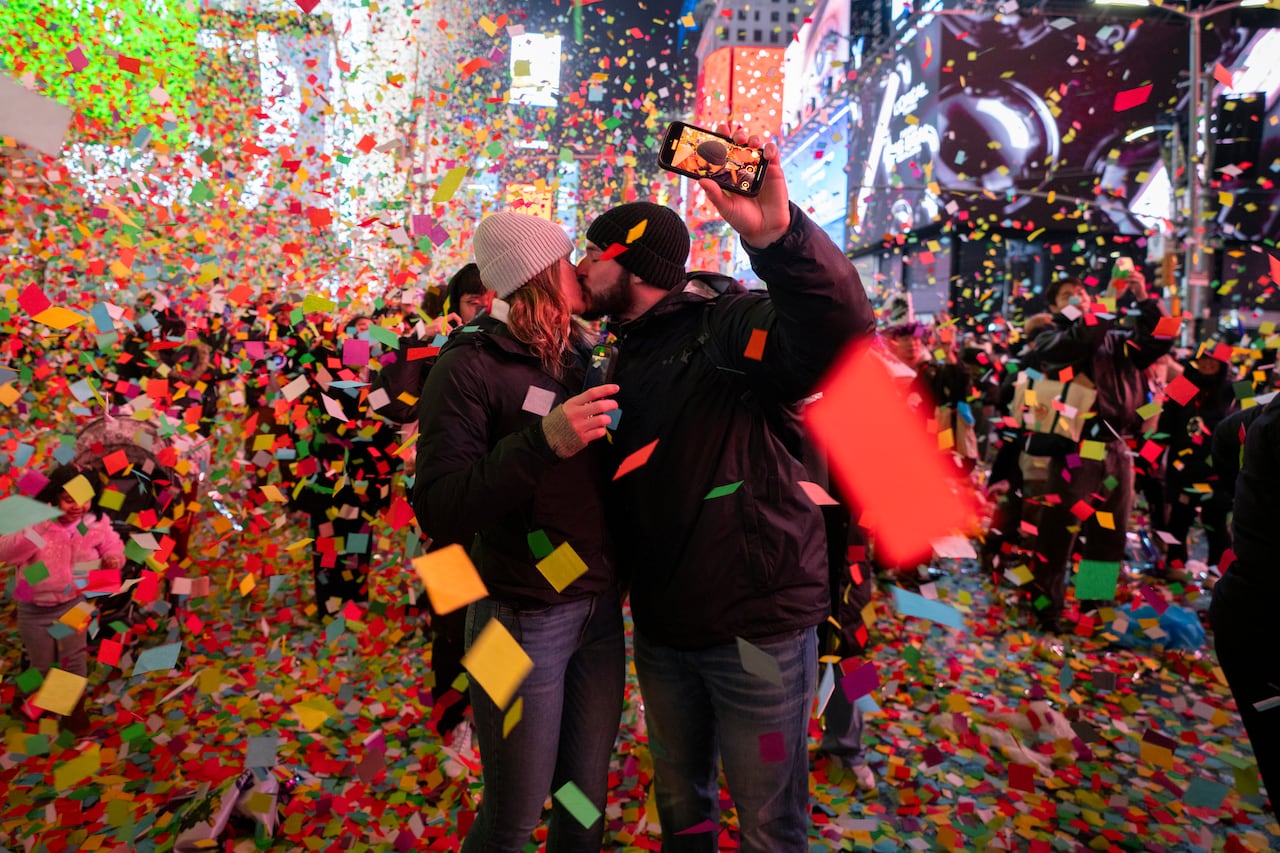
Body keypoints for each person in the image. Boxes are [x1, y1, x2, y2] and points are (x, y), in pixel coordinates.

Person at [577, 124, 875, 852]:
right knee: (684, 809)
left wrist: (778, 238)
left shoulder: (726, 328)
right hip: (664, 632)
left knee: (770, 818)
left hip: (758, 636)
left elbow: (841, 330)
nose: (580, 268)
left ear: (633, 265)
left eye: (592, 254)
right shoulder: (621, 353)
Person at [413, 211, 624, 852]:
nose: (580, 269)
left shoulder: (581, 350)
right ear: (538, 276)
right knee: (514, 812)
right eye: (567, 260)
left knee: (582, 802)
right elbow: (441, 506)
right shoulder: (468, 365)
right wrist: (542, 443)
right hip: (514, 616)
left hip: (597, 610)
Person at [1026, 271, 1173, 633]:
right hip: (1077, 448)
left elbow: (1164, 337)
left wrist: (1142, 299)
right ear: (1053, 307)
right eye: (1066, 295)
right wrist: (1106, 303)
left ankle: (1094, 607)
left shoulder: (1118, 340)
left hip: (1118, 447)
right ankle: (1048, 609)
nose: (1077, 297)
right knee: (1059, 533)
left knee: (1109, 534)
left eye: (1081, 292)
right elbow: (1081, 339)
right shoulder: (1050, 336)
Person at [1, 464, 125, 734]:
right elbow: (8, 554)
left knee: (74, 659)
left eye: (84, 499)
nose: (78, 507)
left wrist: (114, 556)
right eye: (69, 500)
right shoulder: (34, 521)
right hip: (34, 608)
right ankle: (25, 698)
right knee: (42, 665)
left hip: (74, 601)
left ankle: (71, 710)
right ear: (54, 496)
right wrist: (38, 529)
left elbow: (112, 542)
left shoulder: (94, 522)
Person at [1208, 393, 1280, 816]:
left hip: (1115, 464)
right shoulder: (1085, 373)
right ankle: (1073, 607)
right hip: (1073, 469)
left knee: (1105, 546)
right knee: (1087, 544)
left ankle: (1092, 599)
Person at [673, 139, 744, 191]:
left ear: (710, 160)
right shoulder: (706, 177)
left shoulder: (740, 174)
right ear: (682, 164)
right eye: (691, 155)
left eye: (693, 154)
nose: (695, 157)